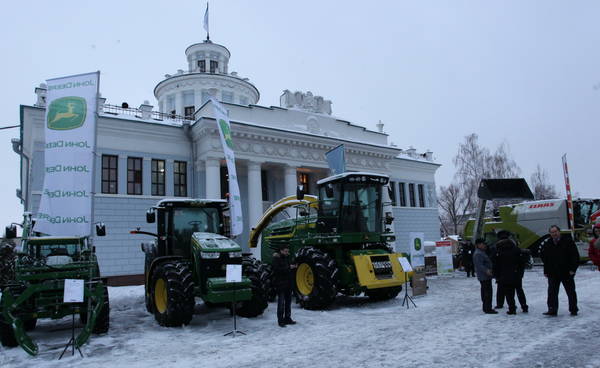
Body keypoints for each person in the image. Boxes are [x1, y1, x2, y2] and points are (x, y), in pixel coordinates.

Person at [540, 225, 580, 316]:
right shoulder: (548, 243)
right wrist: (546, 271)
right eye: (552, 232)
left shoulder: (568, 242)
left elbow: (575, 256)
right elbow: (545, 259)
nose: (554, 234)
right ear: (550, 233)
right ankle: (552, 309)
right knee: (552, 292)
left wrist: (573, 269)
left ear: (559, 232)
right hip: (553, 272)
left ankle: (573, 309)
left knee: (570, 291)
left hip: (566, 271)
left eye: (555, 231)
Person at [492, 230, 522, 315]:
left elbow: (495, 263)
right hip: (515, 273)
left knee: (508, 292)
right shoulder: (514, 247)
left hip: (503, 274)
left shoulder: (498, 249)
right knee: (519, 291)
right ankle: (524, 306)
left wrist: (496, 274)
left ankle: (511, 308)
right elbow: (521, 261)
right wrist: (519, 272)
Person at [272, 244, 297, 327]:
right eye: (286, 251)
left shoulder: (286, 258)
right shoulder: (276, 259)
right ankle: (280, 320)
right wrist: (289, 267)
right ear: (281, 251)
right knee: (281, 303)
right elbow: (277, 270)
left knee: (288, 303)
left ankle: (287, 318)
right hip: (280, 284)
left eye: (288, 251)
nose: (287, 253)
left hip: (288, 284)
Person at [473, 238, 497, 314]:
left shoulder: (481, 252)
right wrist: (487, 271)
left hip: (485, 275)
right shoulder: (478, 253)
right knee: (487, 292)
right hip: (484, 276)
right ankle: (487, 308)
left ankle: (487, 307)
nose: (484, 245)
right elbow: (479, 265)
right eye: (482, 244)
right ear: (478, 245)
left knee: (486, 291)